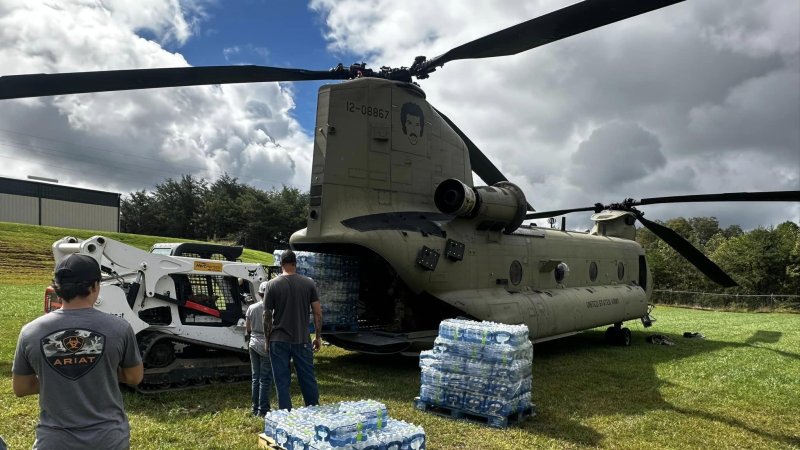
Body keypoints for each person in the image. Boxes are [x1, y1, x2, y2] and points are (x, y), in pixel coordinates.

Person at [12, 254, 143, 450]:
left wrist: (56, 376)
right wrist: (98, 372)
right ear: (94, 286)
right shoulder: (120, 328)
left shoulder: (31, 331)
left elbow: (21, 388)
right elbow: (134, 377)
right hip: (108, 440)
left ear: (57, 288)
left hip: (54, 442)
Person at [263, 250, 323, 410]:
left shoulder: (271, 285)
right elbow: (318, 313)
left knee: (282, 382)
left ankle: (285, 415)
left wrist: (267, 340)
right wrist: (318, 337)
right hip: (301, 339)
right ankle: (314, 412)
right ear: (295, 264)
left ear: (281, 264)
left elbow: (267, 316)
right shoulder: (308, 283)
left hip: (278, 340)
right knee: (307, 379)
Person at [245, 282, 273, 417]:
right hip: (266, 344)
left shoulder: (251, 307)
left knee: (255, 377)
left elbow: (248, 328)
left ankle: (254, 407)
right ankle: (263, 409)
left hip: (253, 343)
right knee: (265, 379)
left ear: (260, 294)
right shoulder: (273, 309)